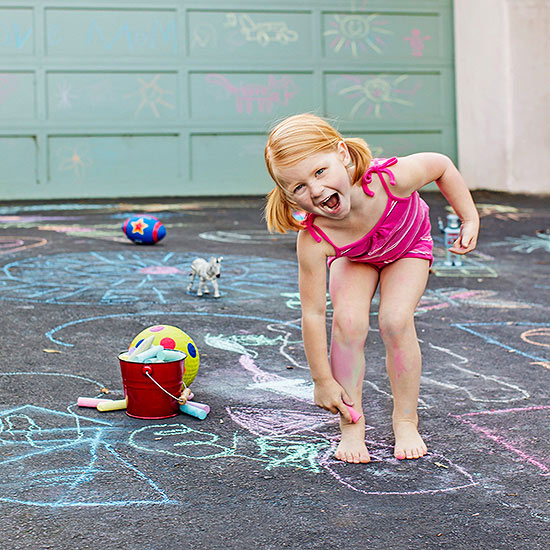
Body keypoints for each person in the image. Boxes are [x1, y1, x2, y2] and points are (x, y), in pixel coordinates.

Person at [264, 113, 479, 463]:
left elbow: (441, 165)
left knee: (395, 321)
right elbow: (313, 312)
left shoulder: (389, 180)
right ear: (288, 196)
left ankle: (406, 421)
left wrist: (469, 217)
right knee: (348, 324)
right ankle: (352, 426)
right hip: (357, 258)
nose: (315, 190)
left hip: (407, 246)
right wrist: (321, 379)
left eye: (319, 172)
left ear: (343, 154)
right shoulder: (316, 238)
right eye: (299, 187)